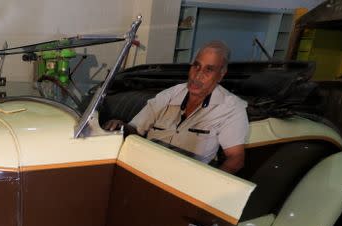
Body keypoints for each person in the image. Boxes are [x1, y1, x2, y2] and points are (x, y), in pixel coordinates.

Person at [104, 41, 248, 174]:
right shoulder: (169, 95)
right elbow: (135, 129)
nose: (198, 75)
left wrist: (207, 188)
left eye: (208, 70)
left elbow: (235, 160)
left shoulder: (232, 108)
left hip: (185, 180)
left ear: (221, 75)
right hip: (145, 169)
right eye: (196, 66)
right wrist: (120, 125)